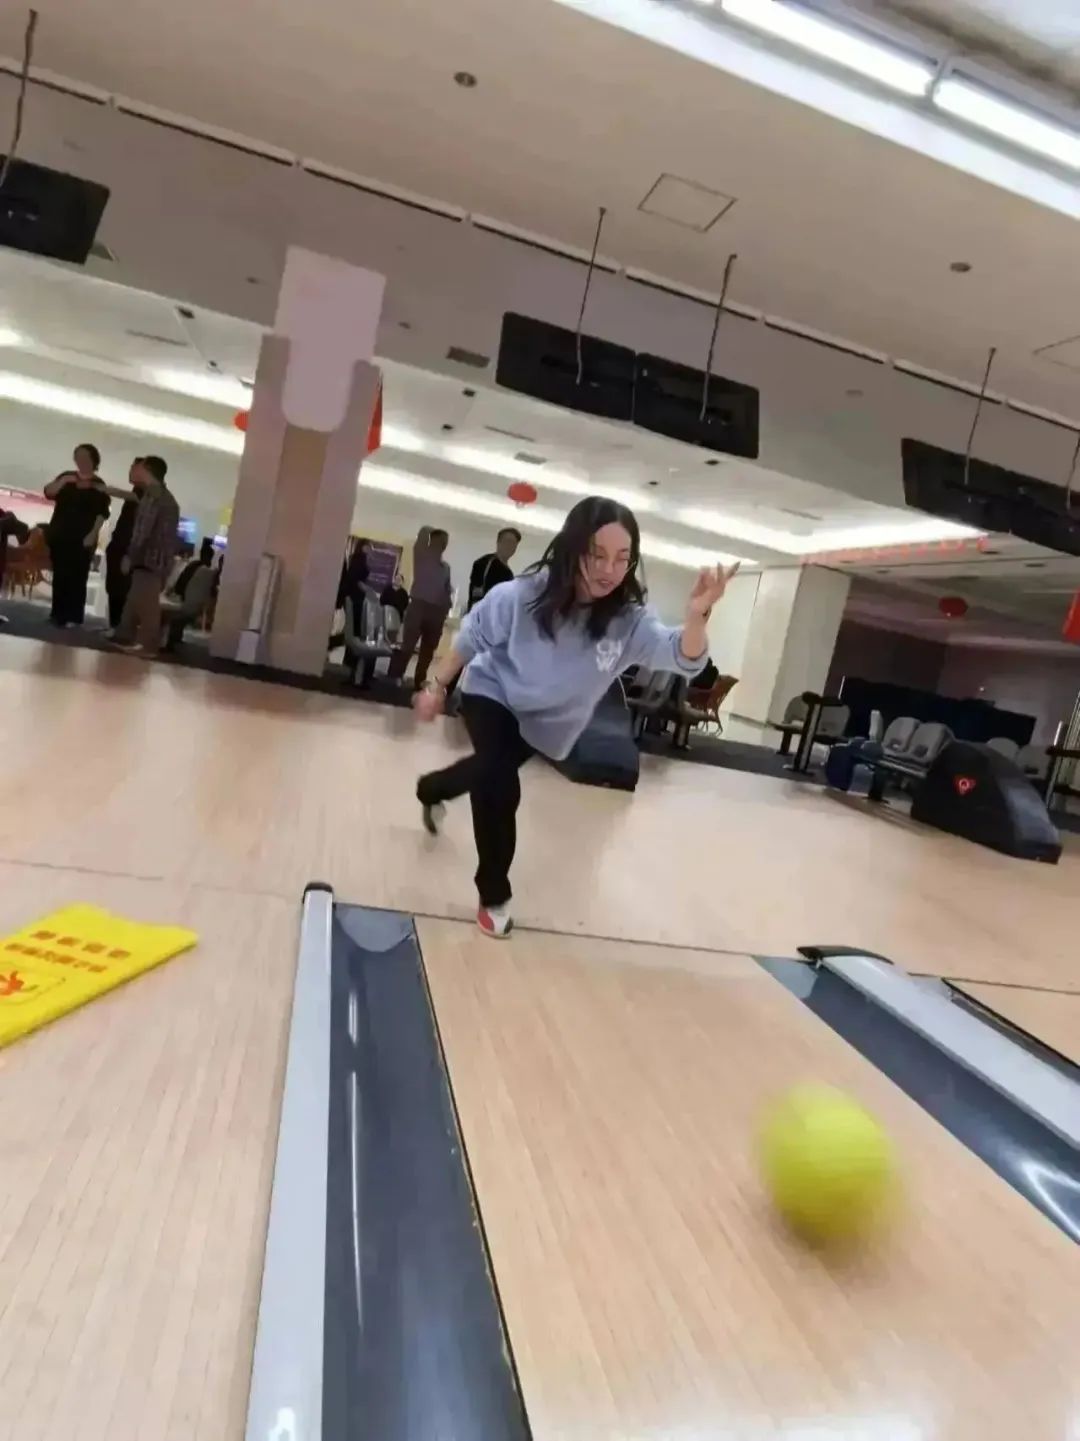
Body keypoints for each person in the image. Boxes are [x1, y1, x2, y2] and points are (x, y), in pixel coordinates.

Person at [412, 496, 737, 937]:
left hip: (547, 720)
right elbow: (472, 637)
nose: (609, 569)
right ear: (573, 548)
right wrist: (436, 687)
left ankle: (432, 788)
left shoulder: (628, 621)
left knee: (490, 767)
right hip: (494, 691)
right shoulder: (523, 595)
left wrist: (697, 618)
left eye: (622, 558)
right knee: (499, 780)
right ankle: (493, 896)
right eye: (597, 555)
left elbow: (681, 656)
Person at [111, 456, 180, 658]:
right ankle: (124, 634)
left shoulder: (154, 497)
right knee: (134, 599)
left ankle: (148, 646)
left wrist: (130, 555)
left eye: (139, 467)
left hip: (150, 559)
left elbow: (143, 530)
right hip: (156, 558)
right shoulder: (161, 496)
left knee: (148, 605)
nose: (134, 470)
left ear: (148, 470)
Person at [43, 443, 110, 627]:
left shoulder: (98, 484)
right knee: (60, 574)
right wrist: (65, 481)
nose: (81, 460)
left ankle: (73, 616)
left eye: (84, 457)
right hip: (60, 532)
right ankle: (57, 613)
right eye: (77, 456)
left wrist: (93, 534)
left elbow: (102, 513)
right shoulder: (67, 477)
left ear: (93, 460)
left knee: (77, 576)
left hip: (83, 535)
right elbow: (49, 492)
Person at [388, 526, 452, 690]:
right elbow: (423, 532)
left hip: (436, 611)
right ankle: (396, 676)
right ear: (432, 541)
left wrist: (445, 608)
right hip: (418, 606)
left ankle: (419, 680)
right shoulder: (422, 556)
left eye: (445, 542)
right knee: (408, 645)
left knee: (428, 650)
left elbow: (447, 591)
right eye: (440, 541)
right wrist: (434, 532)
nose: (443, 545)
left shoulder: (445, 568)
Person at [103, 456, 148, 630]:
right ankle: (115, 626)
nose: (130, 471)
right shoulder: (137, 490)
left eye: (134, 468)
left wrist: (105, 489)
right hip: (118, 545)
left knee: (121, 589)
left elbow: (130, 497)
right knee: (113, 587)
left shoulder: (146, 493)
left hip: (126, 548)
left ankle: (120, 628)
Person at [161, 537, 216, 652]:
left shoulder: (194, 567)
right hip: (197, 605)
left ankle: (163, 640)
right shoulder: (210, 573)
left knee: (164, 610)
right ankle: (176, 637)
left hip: (185, 601)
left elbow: (180, 585)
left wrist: (171, 592)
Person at [466, 527, 521, 610]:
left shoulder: (508, 573)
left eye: (514, 543)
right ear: (498, 542)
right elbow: (477, 594)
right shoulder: (484, 563)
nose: (510, 546)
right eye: (507, 541)